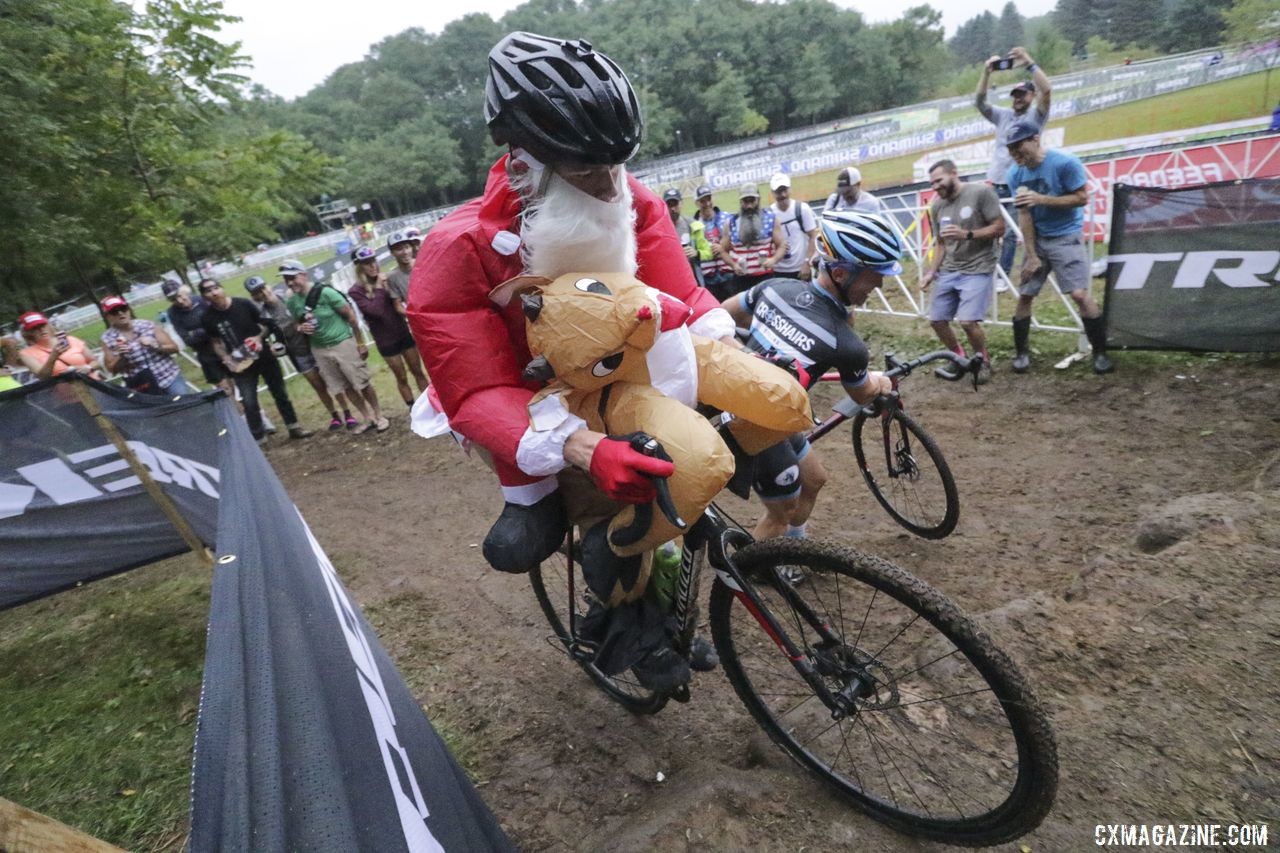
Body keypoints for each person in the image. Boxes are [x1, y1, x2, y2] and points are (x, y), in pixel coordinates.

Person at [407, 31, 736, 691]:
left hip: (625, 375)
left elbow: (681, 294)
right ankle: (616, 617)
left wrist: (729, 347)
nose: (612, 188)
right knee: (610, 522)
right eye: (588, 173)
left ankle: (678, 607)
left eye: (617, 167)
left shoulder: (624, 192)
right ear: (529, 161)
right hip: (537, 406)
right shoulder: (456, 250)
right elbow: (478, 393)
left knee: (703, 488)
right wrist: (584, 450)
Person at [721, 211, 899, 544]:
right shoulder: (845, 343)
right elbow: (863, 394)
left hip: (759, 407)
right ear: (843, 273)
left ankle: (795, 547)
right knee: (781, 513)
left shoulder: (774, 287)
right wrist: (882, 381)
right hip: (755, 428)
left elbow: (719, 315)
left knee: (813, 480)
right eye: (874, 278)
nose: (879, 286)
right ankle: (742, 579)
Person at [1005, 120, 1112, 374]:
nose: (1015, 154)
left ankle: (1100, 352)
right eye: (1010, 149)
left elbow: (1081, 198)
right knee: (1025, 293)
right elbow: (1025, 216)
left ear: (1035, 139)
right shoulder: (1015, 174)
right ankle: (1021, 353)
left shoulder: (1065, 163)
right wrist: (1031, 255)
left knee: (1079, 294)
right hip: (1038, 237)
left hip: (1066, 236)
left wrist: (1041, 199)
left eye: (1019, 146)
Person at [280, 259, 389, 433]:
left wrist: (360, 343)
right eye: (286, 279)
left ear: (303, 275)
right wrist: (300, 327)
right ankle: (367, 417)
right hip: (320, 349)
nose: (290, 283)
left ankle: (379, 415)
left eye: (293, 277)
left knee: (361, 382)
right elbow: (295, 322)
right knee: (343, 386)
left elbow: (351, 318)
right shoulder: (292, 302)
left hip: (342, 343)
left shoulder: (326, 293)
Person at [198, 279, 311, 443]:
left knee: (280, 393)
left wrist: (258, 338)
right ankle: (259, 437)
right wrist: (225, 358)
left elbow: (265, 325)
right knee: (249, 400)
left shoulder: (243, 304)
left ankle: (294, 427)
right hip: (240, 362)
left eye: (216, 288)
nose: (214, 293)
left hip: (263, 355)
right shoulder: (208, 318)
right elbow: (216, 342)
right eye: (208, 291)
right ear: (204, 296)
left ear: (222, 289)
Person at [920, 159, 1002, 384]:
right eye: (932, 183)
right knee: (936, 320)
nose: (935, 187)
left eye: (939, 180)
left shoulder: (981, 193)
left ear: (954, 173)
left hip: (978, 266)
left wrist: (967, 234)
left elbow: (999, 228)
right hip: (949, 269)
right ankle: (958, 357)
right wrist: (931, 272)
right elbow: (940, 243)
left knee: (967, 321)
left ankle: (982, 361)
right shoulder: (937, 205)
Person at [976, 46, 1051, 278]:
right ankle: (988, 270)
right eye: (1015, 96)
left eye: (1022, 95)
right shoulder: (1003, 115)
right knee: (989, 229)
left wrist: (1029, 63)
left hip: (1021, 181)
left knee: (1010, 233)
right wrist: (986, 72)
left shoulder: (1036, 116)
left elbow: (1047, 91)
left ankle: (1003, 276)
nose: (1018, 99)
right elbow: (979, 102)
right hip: (997, 181)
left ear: (1032, 96)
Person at [244, 275, 353, 431]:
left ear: (268, 286)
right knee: (318, 387)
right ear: (254, 296)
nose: (263, 293)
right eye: (257, 292)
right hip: (297, 353)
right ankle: (334, 416)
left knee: (332, 381)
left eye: (263, 288)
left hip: (315, 345)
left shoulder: (289, 298)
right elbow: (268, 330)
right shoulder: (264, 314)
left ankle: (347, 413)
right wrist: (268, 342)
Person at [348, 246, 430, 408]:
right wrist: (379, 287)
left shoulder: (388, 279)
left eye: (373, 261)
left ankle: (431, 405)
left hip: (403, 333)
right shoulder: (356, 291)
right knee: (401, 377)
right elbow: (376, 310)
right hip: (385, 340)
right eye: (366, 263)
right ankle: (412, 408)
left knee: (418, 371)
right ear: (359, 267)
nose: (372, 266)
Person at [99, 296, 195, 394]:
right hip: (142, 385)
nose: (120, 313)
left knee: (185, 405)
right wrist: (121, 356)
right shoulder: (107, 338)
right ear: (107, 316)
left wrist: (155, 346)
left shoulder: (147, 325)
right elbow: (111, 369)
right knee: (161, 409)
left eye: (123, 308)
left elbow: (174, 348)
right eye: (114, 311)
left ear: (128, 309)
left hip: (168, 376)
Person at [163, 280, 235, 399]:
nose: (180, 301)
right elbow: (187, 339)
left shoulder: (203, 300)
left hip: (224, 345)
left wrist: (196, 332)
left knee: (241, 381)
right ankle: (238, 416)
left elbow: (219, 320)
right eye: (174, 299)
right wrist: (206, 329)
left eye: (180, 296)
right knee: (225, 390)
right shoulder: (172, 313)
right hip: (205, 354)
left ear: (185, 292)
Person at [720, 183, 786, 296]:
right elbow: (722, 250)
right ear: (741, 202)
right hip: (741, 280)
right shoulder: (730, 223)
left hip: (764, 278)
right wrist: (733, 265)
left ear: (758, 200)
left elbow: (782, 245)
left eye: (752, 201)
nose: (749, 206)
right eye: (746, 201)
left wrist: (774, 260)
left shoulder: (771, 219)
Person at [16, 312, 103, 381]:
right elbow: (43, 377)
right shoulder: (26, 353)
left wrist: (88, 368)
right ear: (28, 333)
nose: (41, 330)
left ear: (48, 326)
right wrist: (53, 357)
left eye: (42, 325)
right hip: (67, 398)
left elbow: (96, 362)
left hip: (93, 385)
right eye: (35, 328)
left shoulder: (70, 340)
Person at [768, 173, 818, 281]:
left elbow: (813, 236)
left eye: (785, 190)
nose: (783, 194)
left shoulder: (802, 209)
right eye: (778, 192)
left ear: (790, 189)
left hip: (801, 269)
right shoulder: (769, 214)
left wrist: (807, 263)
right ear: (772, 193)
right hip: (779, 270)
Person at [692, 184, 736, 300]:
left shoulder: (728, 218)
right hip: (708, 280)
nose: (707, 203)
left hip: (729, 275)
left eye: (709, 199)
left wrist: (723, 246)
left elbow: (737, 242)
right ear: (696, 203)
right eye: (702, 201)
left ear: (713, 198)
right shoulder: (693, 225)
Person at [662, 188, 704, 286]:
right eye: (669, 205)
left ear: (681, 203)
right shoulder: (660, 229)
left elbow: (707, 251)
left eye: (675, 204)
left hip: (693, 278)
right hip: (672, 279)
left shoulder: (693, 225)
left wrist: (696, 253)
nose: (673, 208)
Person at [385, 228, 422, 306]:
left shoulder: (424, 264)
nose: (405, 252)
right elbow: (398, 305)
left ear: (411, 248)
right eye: (399, 249)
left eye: (407, 247)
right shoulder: (392, 277)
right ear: (392, 253)